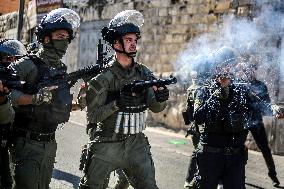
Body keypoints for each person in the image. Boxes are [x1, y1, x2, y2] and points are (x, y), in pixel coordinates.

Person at [79, 10, 169, 189]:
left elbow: (156, 108)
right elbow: (93, 117)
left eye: (135, 40)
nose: (133, 45)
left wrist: (160, 99)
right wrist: (117, 104)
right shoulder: (103, 77)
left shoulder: (144, 73)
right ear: (116, 43)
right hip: (106, 143)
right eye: (128, 40)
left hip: (136, 143)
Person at [8, 8, 80, 189]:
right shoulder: (28, 65)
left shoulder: (60, 69)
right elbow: (5, 92)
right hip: (26, 143)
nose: (65, 42)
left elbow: (55, 103)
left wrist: (79, 103)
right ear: (46, 38)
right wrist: (34, 99)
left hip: (50, 145)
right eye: (60, 36)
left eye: (67, 38)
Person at [192, 47, 252, 189]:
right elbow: (198, 116)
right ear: (216, 67)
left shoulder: (241, 90)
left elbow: (259, 106)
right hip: (210, 156)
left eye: (231, 65)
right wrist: (218, 93)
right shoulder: (205, 89)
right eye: (224, 64)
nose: (227, 68)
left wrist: (274, 109)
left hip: (235, 158)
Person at [77, 83, 130, 189]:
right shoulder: (98, 78)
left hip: (122, 133)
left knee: (125, 179)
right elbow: (82, 103)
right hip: (100, 132)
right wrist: (83, 92)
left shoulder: (123, 76)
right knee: (100, 179)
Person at [241, 62, 281, 187]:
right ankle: (238, 174)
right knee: (237, 147)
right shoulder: (240, 85)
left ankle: (273, 175)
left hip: (256, 121)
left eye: (252, 70)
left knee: (265, 149)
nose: (250, 72)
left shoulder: (261, 85)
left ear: (255, 71)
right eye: (247, 70)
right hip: (242, 121)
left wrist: (273, 111)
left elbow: (266, 105)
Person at [0, 38, 27, 189]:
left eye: (16, 59)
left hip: (14, 143)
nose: (12, 63)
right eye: (7, 59)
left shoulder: (23, 81)